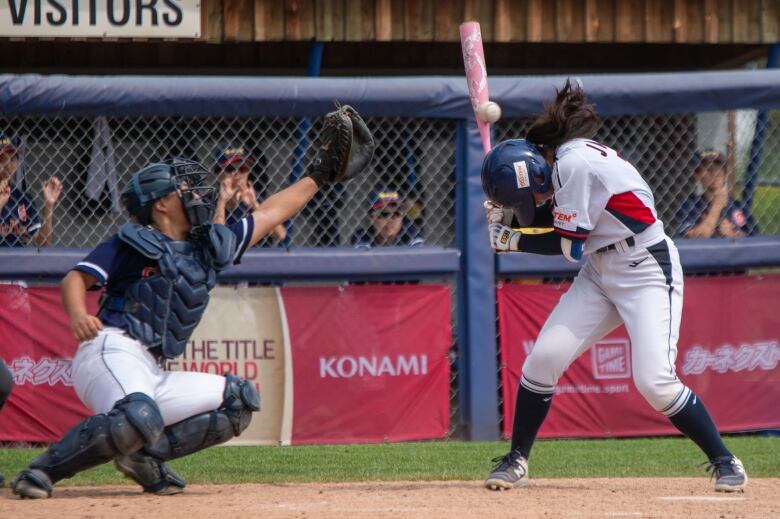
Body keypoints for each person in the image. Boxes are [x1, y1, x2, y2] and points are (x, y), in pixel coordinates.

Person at [10, 105, 374, 499]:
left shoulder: (206, 248)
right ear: (161, 204)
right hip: (110, 352)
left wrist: (318, 176)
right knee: (138, 414)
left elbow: (269, 212)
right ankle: (40, 471)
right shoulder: (134, 242)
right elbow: (75, 278)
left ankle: (143, 457)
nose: (197, 194)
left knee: (239, 400)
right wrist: (78, 314)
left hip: (153, 369)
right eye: (183, 190)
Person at [480, 81, 747, 493]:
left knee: (655, 381)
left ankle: (725, 460)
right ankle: (516, 459)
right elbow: (558, 217)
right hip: (602, 270)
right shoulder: (562, 161)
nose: (531, 198)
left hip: (646, 269)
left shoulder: (574, 165)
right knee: (543, 359)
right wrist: (509, 218)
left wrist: (512, 239)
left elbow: (570, 247)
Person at [674, 149, 758, 238]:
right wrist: (717, 205)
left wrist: (733, 234)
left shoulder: (737, 206)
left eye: (718, 168)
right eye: (708, 169)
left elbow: (755, 241)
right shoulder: (690, 205)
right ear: (697, 175)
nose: (714, 173)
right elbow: (698, 237)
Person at [211, 145, 287, 243]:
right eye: (230, 169)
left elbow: (280, 235)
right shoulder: (209, 202)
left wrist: (255, 205)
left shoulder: (256, 200)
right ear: (218, 175)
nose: (237, 174)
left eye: (242, 168)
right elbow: (217, 239)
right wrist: (222, 202)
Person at [0, 132, 63, 247]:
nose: (8, 165)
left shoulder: (22, 198)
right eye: (2, 159)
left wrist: (49, 205)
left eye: (13, 159)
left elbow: (43, 243)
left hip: (17, 263)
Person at [350, 190, 424, 248]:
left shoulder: (411, 233)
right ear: (371, 217)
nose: (390, 219)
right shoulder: (362, 236)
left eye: (396, 214)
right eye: (384, 214)